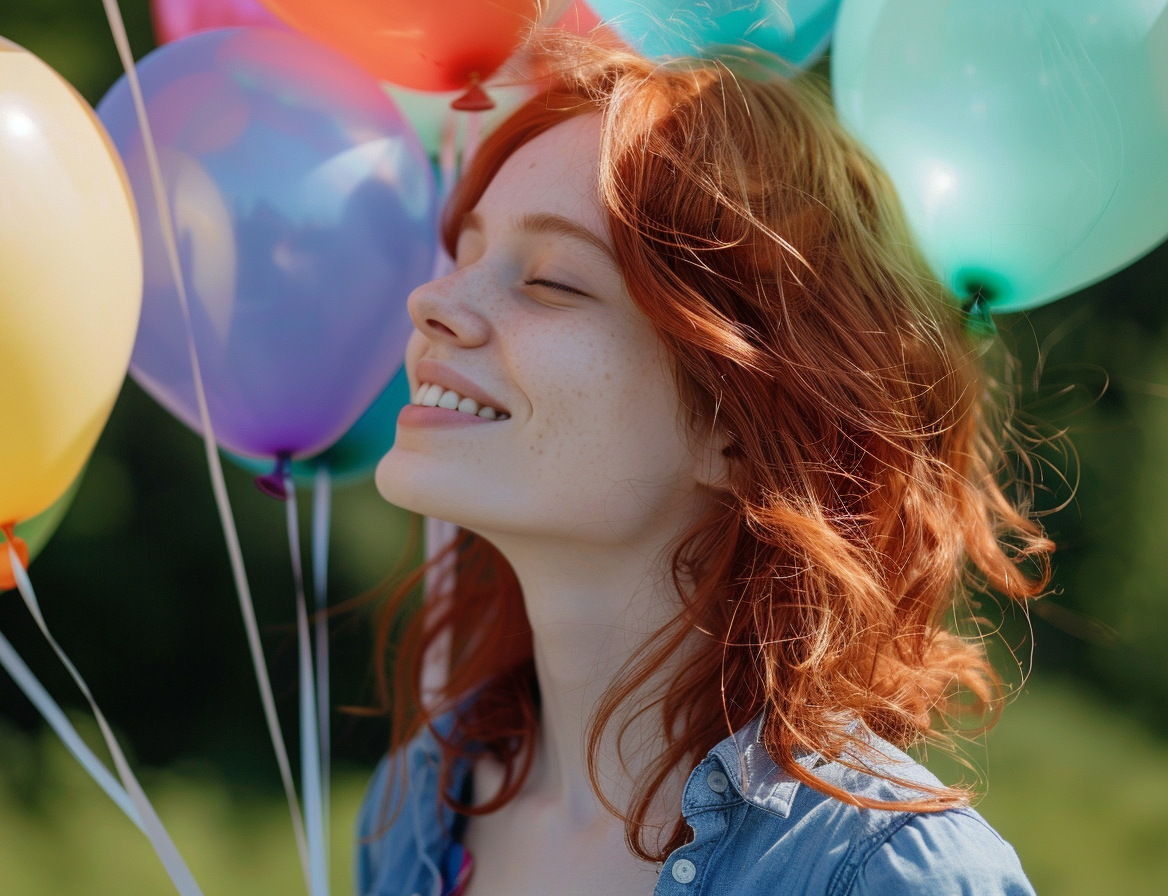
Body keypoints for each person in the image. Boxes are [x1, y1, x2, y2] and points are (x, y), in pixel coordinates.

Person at [357, 33, 1051, 896]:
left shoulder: (890, 876)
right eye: (464, 255)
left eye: (552, 282)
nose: (433, 301)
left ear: (739, 427)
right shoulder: (417, 805)